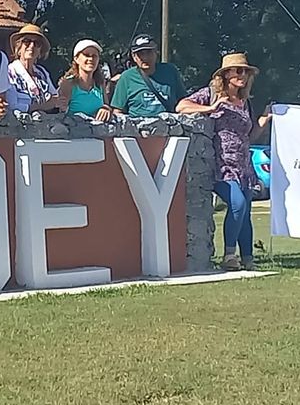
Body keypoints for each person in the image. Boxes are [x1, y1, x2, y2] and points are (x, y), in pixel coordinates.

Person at [178, 52, 271, 272]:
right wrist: (209, 109)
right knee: (236, 204)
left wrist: (264, 120)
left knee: (245, 212)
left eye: (246, 72)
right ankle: (229, 254)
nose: (243, 76)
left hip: (244, 167)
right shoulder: (211, 94)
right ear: (226, 74)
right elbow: (181, 106)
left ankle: (247, 258)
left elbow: (250, 136)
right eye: (238, 71)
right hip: (222, 166)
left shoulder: (245, 103)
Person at [110, 34, 184, 117]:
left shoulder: (170, 71)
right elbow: (117, 110)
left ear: (156, 52)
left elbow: (183, 101)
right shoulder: (126, 77)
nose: (145, 57)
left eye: (149, 52)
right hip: (139, 126)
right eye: (140, 54)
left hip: (169, 124)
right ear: (134, 57)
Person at [6, 23, 59, 113]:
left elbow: (56, 99)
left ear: (40, 51)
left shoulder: (42, 73)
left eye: (37, 43)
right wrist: (41, 107)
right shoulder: (9, 72)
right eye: (26, 41)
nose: (31, 46)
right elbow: (11, 105)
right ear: (18, 47)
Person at [59, 39, 114, 121]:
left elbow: (107, 105)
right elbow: (61, 112)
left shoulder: (100, 84)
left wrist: (105, 108)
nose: (91, 59)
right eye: (87, 55)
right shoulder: (68, 84)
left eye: (94, 56)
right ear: (76, 59)